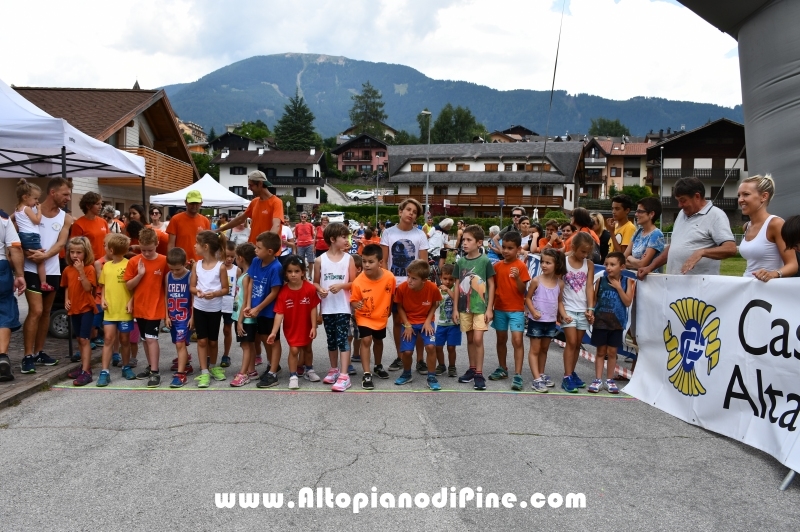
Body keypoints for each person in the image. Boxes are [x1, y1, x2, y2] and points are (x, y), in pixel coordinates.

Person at [21, 177, 73, 373]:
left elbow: (61, 243)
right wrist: (27, 253)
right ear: (53, 193)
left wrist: (45, 255)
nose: (68, 198)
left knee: (45, 312)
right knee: (35, 310)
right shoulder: (31, 210)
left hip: (52, 269)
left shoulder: (66, 218)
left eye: (69, 194)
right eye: (65, 194)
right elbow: (14, 235)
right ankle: (27, 356)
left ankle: (39, 352)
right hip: (30, 268)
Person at [638, 177, 737, 278]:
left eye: (683, 200)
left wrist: (702, 252)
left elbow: (731, 249)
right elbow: (673, 247)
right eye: (678, 200)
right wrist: (650, 267)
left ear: (697, 196)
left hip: (699, 288)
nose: (679, 205)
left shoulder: (716, 215)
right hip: (675, 284)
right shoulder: (682, 214)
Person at [380, 199, 429, 373]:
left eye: (414, 212)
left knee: (419, 321)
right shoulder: (388, 233)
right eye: (408, 209)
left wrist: (421, 283)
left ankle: (421, 360)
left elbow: (423, 263)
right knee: (398, 321)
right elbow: (384, 260)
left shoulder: (420, 235)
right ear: (400, 211)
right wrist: (388, 281)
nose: (411, 213)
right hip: (395, 284)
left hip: (414, 285)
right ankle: (400, 356)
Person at [314, 222, 357, 391]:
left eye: (347, 236)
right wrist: (320, 290)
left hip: (343, 307)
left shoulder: (349, 258)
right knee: (331, 340)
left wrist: (341, 286)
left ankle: (344, 375)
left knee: (343, 340)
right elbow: (315, 283)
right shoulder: (319, 260)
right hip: (327, 307)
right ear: (332, 239)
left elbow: (354, 282)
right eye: (343, 237)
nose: (347, 240)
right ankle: (333, 369)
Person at [267, 256, 320, 390]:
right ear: (285, 273)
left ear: (303, 272)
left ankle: (309, 370)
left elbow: (313, 308)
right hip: (292, 326)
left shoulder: (310, 289)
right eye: (290, 272)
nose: (293, 274)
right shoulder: (283, 292)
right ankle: (293, 375)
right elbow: (279, 313)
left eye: (296, 271)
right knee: (294, 349)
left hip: (306, 325)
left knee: (308, 348)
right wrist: (273, 332)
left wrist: (314, 326)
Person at [124, 228, 168, 388]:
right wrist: (140, 274)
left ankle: (155, 371)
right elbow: (129, 285)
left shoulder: (164, 261)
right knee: (144, 339)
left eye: (150, 250)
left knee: (151, 338)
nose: (147, 253)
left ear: (157, 244)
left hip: (155, 307)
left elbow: (168, 283)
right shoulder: (134, 262)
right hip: (140, 307)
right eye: (143, 250)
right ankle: (151, 366)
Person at [454, 224, 496, 391]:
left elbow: (492, 285)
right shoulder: (461, 261)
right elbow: (457, 285)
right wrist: (456, 308)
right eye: (463, 239)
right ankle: (472, 369)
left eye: (468, 240)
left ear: (479, 243)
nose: (464, 243)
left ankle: (479, 373)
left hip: (481, 307)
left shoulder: (485, 261)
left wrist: (489, 308)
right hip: (465, 307)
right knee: (470, 339)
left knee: (478, 339)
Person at [488, 231, 531, 391]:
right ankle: (502, 368)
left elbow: (522, 290)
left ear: (518, 249)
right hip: (499, 309)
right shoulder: (497, 266)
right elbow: (493, 288)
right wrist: (490, 308)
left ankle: (518, 374)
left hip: (516, 310)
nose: (506, 251)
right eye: (504, 247)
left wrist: (518, 278)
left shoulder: (521, 266)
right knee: (501, 339)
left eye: (510, 248)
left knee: (517, 340)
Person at [350, 244, 396, 390]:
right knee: (366, 340)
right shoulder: (358, 282)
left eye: (371, 262)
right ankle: (366, 373)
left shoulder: (389, 277)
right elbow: (354, 299)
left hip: (381, 316)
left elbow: (392, 295)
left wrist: (389, 310)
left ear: (380, 263)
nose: (366, 265)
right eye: (364, 261)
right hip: (364, 316)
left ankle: (377, 365)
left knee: (378, 340)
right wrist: (355, 304)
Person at [589, 252, 635, 394]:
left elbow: (627, 302)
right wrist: (591, 312)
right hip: (601, 321)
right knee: (601, 351)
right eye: (607, 264)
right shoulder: (600, 281)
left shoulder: (627, 281)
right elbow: (595, 300)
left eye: (612, 265)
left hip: (617, 323)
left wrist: (618, 287)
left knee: (612, 352)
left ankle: (609, 380)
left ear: (622, 266)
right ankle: (597, 379)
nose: (608, 267)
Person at [393, 260, 442, 389]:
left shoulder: (432, 288)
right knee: (407, 352)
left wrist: (428, 321)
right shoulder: (403, 288)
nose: (409, 280)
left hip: (426, 321)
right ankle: (406, 374)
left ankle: (431, 376)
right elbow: (400, 307)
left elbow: (434, 304)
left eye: (414, 278)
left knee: (431, 347)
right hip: (409, 322)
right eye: (408, 276)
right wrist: (407, 325)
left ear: (424, 280)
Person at [737, 174, 797, 280]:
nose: (740, 200)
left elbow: (793, 265)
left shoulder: (775, 224)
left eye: (746, 194)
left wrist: (773, 274)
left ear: (764, 196)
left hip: (769, 289)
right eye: (739, 195)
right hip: (749, 285)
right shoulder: (746, 226)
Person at [190, 231, 230, 388]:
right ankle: (204, 371)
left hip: (214, 309)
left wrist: (214, 293)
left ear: (205, 247)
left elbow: (226, 289)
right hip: (199, 308)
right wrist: (197, 292)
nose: (194, 245)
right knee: (201, 340)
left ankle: (213, 366)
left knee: (213, 342)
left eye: (196, 243)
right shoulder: (196, 265)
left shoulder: (221, 267)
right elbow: (192, 286)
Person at [244, 232, 284, 389]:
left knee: (273, 339)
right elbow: (251, 281)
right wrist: (249, 304)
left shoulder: (276, 267)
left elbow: (274, 292)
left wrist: (258, 307)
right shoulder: (256, 261)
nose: (255, 250)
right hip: (256, 309)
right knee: (262, 337)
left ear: (269, 251)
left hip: (269, 311)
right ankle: (272, 365)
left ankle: (273, 373)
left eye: (258, 248)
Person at [525, 248, 566, 393]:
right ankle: (536, 379)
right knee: (535, 350)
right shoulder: (536, 280)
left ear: (557, 265)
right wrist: (533, 311)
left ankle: (541, 374)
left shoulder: (560, 284)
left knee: (544, 349)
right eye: (542, 262)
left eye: (548, 263)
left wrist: (564, 315)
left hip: (550, 322)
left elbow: (559, 302)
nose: (543, 265)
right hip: (536, 321)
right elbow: (528, 298)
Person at [561, 231, 596, 393]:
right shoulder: (564, 262)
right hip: (568, 308)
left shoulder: (589, 264)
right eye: (583, 251)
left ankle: (571, 372)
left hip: (583, 310)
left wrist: (590, 308)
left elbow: (589, 287)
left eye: (588, 252)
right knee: (572, 342)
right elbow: (559, 286)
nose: (585, 255)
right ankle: (567, 376)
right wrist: (559, 309)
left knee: (577, 346)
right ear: (573, 247)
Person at [61, 237, 97, 386]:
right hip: (74, 308)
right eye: (72, 252)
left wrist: (81, 271)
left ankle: (87, 371)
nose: (75, 255)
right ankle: (83, 366)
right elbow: (67, 286)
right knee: (79, 339)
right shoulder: (67, 270)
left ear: (85, 253)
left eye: (79, 252)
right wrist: (66, 299)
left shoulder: (89, 269)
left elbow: (89, 288)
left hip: (86, 307)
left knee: (85, 339)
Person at [98, 233, 134, 382]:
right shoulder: (106, 266)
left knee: (125, 340)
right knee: (108, 339)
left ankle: (126, 366)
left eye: (106, 246)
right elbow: (104, 285)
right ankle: (104, 372)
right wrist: (102, 299)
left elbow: (135, 287)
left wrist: (131, 300)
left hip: (124, 310)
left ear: (111, 250)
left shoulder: (129, 264)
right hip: (110, 310)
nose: (105, 248)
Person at [216, 171, 284, 247]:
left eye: (251, 185)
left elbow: (276, 225)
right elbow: (240, 219)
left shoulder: (276, 202)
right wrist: (218, 230)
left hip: (268, 250)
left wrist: (266, 245)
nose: (249, 188)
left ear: (260, 184)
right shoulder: (254, 202)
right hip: (253, 248)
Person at [0, 208, 26, 382]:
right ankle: (2, 356)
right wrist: (19, 275)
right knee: (4, 310)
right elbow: (15, 248)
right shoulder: (3, 219)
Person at [15, 179, 54, 292]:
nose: (37, 201)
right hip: (32, 236)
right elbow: (36, 221)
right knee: (40, 259)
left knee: (28, 256)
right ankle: (43, 283)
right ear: (25, 197)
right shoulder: (27, 209)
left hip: (22, 236)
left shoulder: (17, 208)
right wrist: (39, 210)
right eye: (35, 198)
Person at [230, 243, 258, 387]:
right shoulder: (246, 274)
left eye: (235, 257)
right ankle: (251, 369)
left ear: (240, 258)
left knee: (245, 345)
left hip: (244, 318)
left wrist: (240, 321)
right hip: (243, 317)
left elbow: (245, 302)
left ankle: (243, 374)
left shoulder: (247, 277)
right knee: (249, 344)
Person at [165, 247, 194, 388]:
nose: (174, 272)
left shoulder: (190, 276)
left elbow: (194, 299)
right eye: (172, 269)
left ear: (185, 263)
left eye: (178, 269)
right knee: (177, 343)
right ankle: (186, 365)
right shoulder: (168, 276)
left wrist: (192, 317)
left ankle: (181, 374)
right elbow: (166, 296)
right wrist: (166, 316)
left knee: (180, 344)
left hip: (184, 317)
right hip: (172, 316)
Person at [167, 190, 211, 262]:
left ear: (201, 203)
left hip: (199, 263)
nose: (194, 206)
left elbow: (208, 244)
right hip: (181, 262)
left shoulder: (205, 221)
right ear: (185, 202)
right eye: (192, 203)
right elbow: (171, 244)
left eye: (197, 203)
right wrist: (171, 261)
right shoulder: (175, 219)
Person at [70, 191, 109, 272]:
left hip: (104, 263)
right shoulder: (78, 224)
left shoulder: (103, 222)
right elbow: (75, 246)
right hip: (88, 265)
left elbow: (108, 241)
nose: (100, 207)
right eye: (97, 204)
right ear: (88, 206)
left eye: (101, 204)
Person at [625, 197, 665, 271]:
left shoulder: (656, 235)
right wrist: (634, 261)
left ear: (651, 214)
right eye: (636, 211)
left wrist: (629, 258)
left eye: (640, 211)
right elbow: (623, 258)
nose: (636, 214)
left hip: (650, 281)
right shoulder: (638, 232)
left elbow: (642, 264)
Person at [435, 263, 460, 378]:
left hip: (453, 324)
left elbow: (457, 299)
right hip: (441, 323)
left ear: (455, 279)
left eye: (451, 279)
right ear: (440, 278)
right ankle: (441, 365)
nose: (447, 282)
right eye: (445, 279)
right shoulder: (438, 290)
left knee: (451, 347)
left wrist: (448, 290)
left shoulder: (455, 288)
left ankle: (452, 366)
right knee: (438, 346)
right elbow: (435, 305)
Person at [220, 241, 238, 368]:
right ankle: (210, 355)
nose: (229, 259)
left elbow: (240, 289)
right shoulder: (217, 267)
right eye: (227, 256)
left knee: (227, 330)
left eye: (232, 256)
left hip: (229, 305)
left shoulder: (237, 270)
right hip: (215, 303)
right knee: (213, 331)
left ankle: (226, 355)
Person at [294, 211, 315, 277]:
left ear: (307, 218)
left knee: (310, 260)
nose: (303, 218)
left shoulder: (310, 225)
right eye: (302, 217)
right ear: (300, 217)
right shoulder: (297, 225)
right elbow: (296, 235)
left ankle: (310, 275)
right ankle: (304, 275)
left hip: (309, 244)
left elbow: (312, 234)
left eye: (304, 217)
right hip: (300, 245)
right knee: (301, 261)